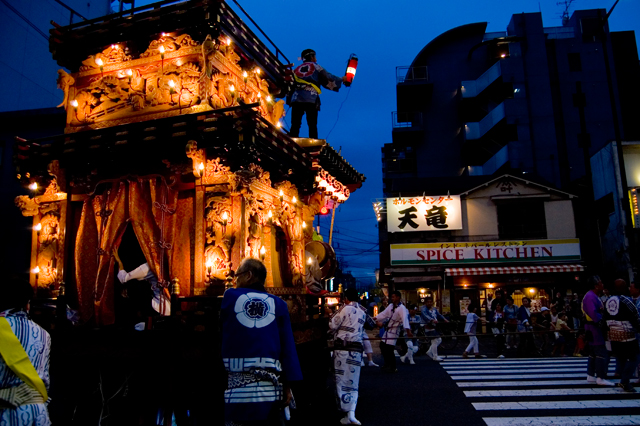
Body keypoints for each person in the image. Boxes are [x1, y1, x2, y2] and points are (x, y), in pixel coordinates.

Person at [221, 258, 302, 425]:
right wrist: (287, 386)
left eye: (238, 275)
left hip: (238, 390)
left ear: (249, 275)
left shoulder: (230, 296)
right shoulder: (279, 304)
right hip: (271, 389)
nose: (235, 280)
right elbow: (288, 348)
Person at [0, 277, 51, 425]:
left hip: (5, 414)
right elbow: (45, 382)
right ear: (28, 305)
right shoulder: (44, 334)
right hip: (37, 413)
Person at [329, 288, 367, 425]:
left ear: (346, 299)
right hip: (356, 350)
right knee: (353, 381)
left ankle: (345, 411)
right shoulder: (363, 311)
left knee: (341, 379)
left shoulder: (344, 309)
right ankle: (351, 412)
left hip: (343, 350)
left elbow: (332, 324)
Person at [288, 49, 345, 139]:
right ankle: (313, 142)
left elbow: (290, 85)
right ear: (311, 57)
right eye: (315, 57)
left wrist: (289, 100)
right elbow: (328, 77)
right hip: (311, 97)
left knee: (295, 124)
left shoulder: (295, 70)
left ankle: (291, 142)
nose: (316, 59)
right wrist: (342, 79)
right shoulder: (316, 67)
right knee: (312, 124)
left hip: (296, 98)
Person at [603, 279, 640, 392]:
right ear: (625, 288)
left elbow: (604, 317)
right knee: (634, 357)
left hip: (613, 334)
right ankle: (625, 380)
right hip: (626, 333)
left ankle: (623, 379)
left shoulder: (608, 301)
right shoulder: (627, 301)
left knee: (621, 358)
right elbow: (635, 316)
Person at [113, 248, 171, 318]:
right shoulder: (173, 264)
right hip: (173, 310)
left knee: (133, 287)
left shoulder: (151, 265)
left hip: (158, 308)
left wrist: (118, 261)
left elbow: (124, 278)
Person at [582, 275, 614, 386]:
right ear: (596, 285)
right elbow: (593, 313)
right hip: (594, 327)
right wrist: (602, 323)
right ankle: (600, 377)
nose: (602, 285)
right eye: (600, 283)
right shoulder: (591, 296)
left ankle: (591, 375)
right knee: (600, 352)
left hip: (593, 326)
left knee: (593, 353)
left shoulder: (592, 296)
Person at [375, 291, 412, 373]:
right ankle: (387, 364)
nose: (392, 298)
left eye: (394, 297)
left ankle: (393, 367)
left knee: (389, 349)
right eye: (392, 297)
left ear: (398, 297)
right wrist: (376, 318)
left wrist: (408, 331)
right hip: (388, 330)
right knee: (382, 346)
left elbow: (405, 320)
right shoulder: (391, 306)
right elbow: (384, 314)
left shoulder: (402, 308)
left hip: (394, 330)